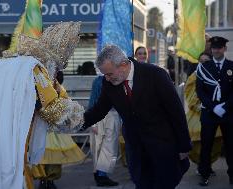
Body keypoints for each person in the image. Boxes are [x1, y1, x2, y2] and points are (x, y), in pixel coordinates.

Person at [0, 22, 84, 189]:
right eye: (57, 67)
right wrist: (80, 116)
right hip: (3, 139)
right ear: (52, 60)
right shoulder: (35, 69)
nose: (55, 72)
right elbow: (53, 109)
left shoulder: (5, 63)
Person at [82, 45, 192, 189]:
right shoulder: (108, 83)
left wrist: (184, 146)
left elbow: (176, 112)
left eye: (109, 74)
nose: (107, 79)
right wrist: (77, 121)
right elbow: (99, 110)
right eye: (105, 75)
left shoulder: (155, 75)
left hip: (163, 148)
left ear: (123, 64)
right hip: (137, 152)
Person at [32, 70, 86, 189]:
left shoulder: (59, 87)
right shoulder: (38, 84)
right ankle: (42, 179)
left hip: (55, 128)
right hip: (41, 127)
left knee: (55, 157)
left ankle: (50, 180)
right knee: (41, 154)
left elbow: (65, 102)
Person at [196, 36, 233, 186]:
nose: (216, 50)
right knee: (206, 145)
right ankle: (204, 173)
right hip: (209, 113)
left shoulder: (232, 66)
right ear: (211, 49)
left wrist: (224, 106)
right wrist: (213, 107)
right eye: (214, 48)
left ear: (225, 49)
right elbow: (200, 91)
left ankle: (232, 174)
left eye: (219, 47)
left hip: (229, 112)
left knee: (231, 145)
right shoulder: (204, 67)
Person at [185, 52, 222, 175]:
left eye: (206, 61)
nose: (204, 63)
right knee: (198, 143)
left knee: (215, 142)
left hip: (214, 113)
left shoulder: (216, 76)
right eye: (202, 61)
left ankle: (208, 165)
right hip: (197, 115)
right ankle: (201, 166)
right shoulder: (194, 76)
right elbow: (189, 95)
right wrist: (199, 106)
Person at [88, 75, 121, 187]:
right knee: (98, 146)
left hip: (112, 114)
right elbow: (93, 99)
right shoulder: (98, 81)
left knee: (109, 146)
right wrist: (92, 122)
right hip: (100, 115)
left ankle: (102, 174)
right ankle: (100, 175)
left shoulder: (118, 78)